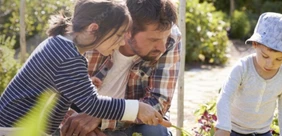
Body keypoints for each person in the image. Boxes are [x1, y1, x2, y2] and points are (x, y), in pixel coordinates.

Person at [0, 0, 164, 135]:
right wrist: (137, 108)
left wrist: (82, 85)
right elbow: (92, 104)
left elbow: (57, 87)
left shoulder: (60, 43)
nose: (122, 42)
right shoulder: (68, 56)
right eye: (119, 35)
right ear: (94, 29)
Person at [59, 0, 181, 135]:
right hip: (81, 114)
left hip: (129, 121)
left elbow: (158, 103)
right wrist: (73, 122)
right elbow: (49, 95)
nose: (162, 47)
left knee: (155, 132)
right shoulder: (92, 32)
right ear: (128, 30)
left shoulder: (169, 37)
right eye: (153, 40)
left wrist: (100, 116)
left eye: (164, 38)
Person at [214, 12, 282, 136]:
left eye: (278, 59)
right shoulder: (242, 68)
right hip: (233, 130)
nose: (270, 64)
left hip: (263, 132)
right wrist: (223, 127)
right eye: (265, 56)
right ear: (255, 44)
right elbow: (225, 97)